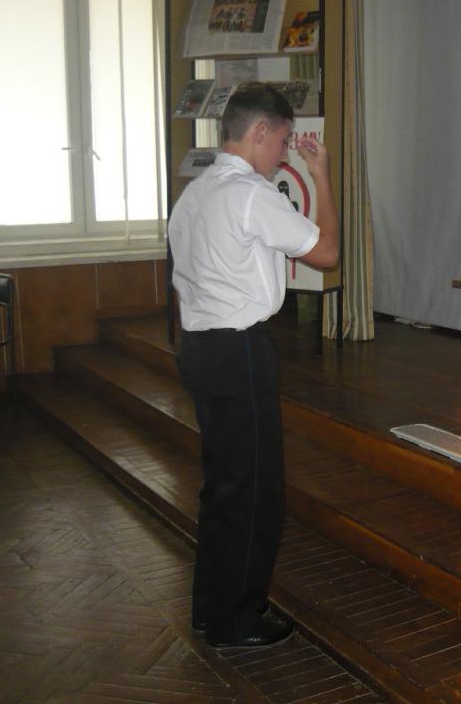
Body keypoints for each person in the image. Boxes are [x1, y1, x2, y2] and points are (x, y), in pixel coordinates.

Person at [168, 82, 338, 649]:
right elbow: (327, 254)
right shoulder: (250, 194)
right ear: (259, 131)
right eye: (284, 142)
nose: (286, 155)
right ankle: (236, 621)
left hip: (199, 347)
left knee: (223, 485)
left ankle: (211, 607)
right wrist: (321, 175)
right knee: (256, 492)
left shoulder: (194, 193)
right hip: (238, 351)